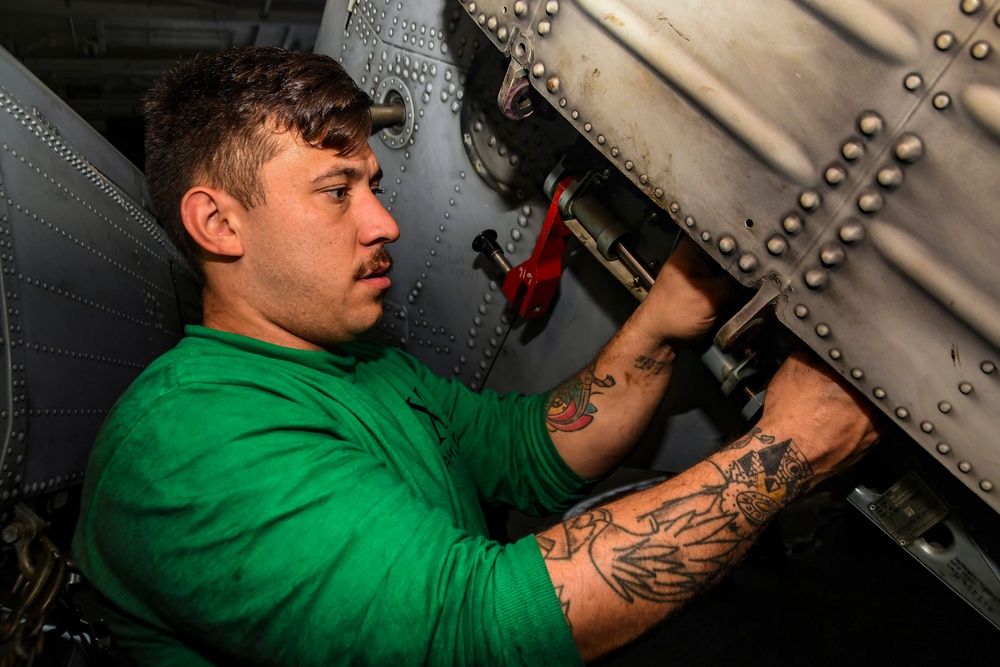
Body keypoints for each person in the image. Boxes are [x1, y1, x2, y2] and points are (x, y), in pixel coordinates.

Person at [72, 47, 878, 666]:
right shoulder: (183, 445)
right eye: (336, 189)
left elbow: (529, 451)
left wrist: (659, 328)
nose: (383, 223)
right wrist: (791, 447)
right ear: (217, 224)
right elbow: (478, 630)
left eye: (374, 186)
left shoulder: (360, 359)